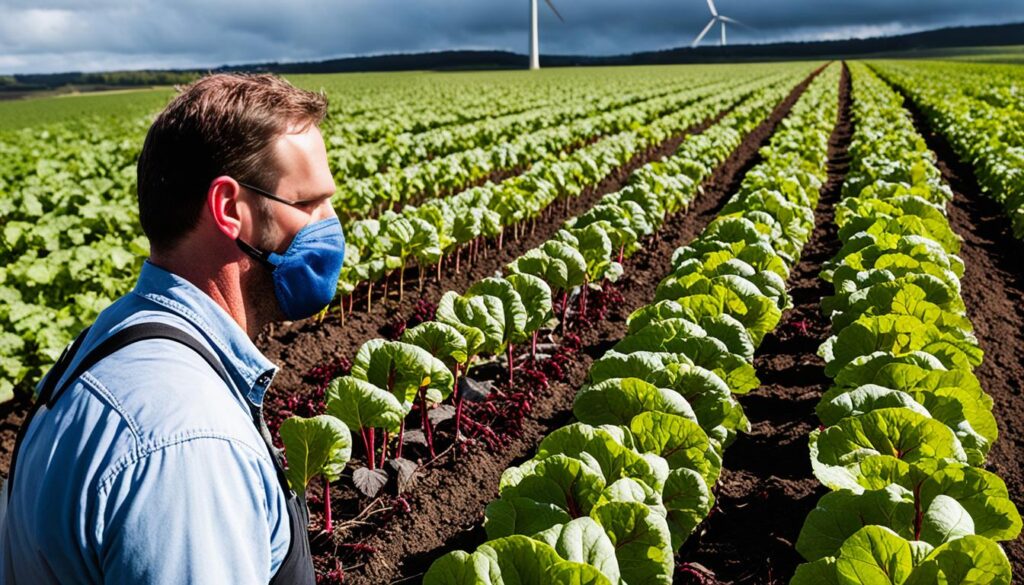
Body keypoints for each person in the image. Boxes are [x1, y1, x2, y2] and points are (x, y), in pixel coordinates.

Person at [1, 73, 345, 584]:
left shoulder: (111, 338)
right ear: (230, 209)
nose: (330, 221)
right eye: (309, 203)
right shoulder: (188, 445)